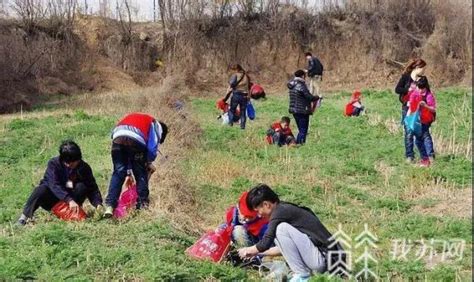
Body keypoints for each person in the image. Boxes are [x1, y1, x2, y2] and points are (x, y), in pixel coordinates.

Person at [237, 184, 346, 281]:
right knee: (279, 231)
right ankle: (301, 275)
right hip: (324, 261)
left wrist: (248, 250)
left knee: (281, 228)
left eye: (258, 210)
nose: (259, 215)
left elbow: (265, 242)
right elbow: (287, 249)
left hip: (326, 260)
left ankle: (302, 275)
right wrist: (257, 253)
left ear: (266, 204)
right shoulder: (284, 209)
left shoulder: (279, 213)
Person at [17, 140, 103, 225]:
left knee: (82, 186)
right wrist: (69, 200)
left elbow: (92, 187)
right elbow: (54, 185)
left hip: (72, 198)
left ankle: (73, 212)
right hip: (54, 198)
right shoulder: (53, 164)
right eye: (67, 163)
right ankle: (23, 218)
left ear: (78, 159)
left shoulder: (84, 167)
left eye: (73, 163)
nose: (69, 165)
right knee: (41, 189)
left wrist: (97, 203)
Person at [104, 112, 168, 217]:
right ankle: (142, 206)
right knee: (140, 173)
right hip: (136, 140)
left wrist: (128, 172)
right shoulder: (155, 125)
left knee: (118, 172)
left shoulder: (138, 118)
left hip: (117, 138)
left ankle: (110, 206)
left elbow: (124, 145)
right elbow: (152, 149)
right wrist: (148, 162)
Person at [395, 58, 427, 163]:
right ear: (417, 68)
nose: (424, 71)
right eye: (423, 68)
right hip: (407, 108)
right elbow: (397, 89)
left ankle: (424, 157)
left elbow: (427, 92)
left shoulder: (423, 79)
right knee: (408, 132)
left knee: (419, 133)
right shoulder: (405, 77)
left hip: (419, 109)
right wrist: (407, 90)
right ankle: (409, 156)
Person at [409, 76, 436, 167]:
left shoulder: (429, 95)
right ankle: (427, 158)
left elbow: (433, 109)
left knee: (424, 137)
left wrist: (425, 106)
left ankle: (428, 157)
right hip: (417, 120)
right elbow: (411, 107)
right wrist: (408, 117)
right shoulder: (415, 93)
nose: (420, 91)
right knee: (419, 140)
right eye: (419, 88)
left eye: (422, 89)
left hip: (426, 119)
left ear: (426, 87)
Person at [288, 70, 320, 145]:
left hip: (294, 110)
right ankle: (300, 144)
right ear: (302, 76)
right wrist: (317, 97)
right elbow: (309, 97)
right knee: (303, 130)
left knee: (300, 129)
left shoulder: (292, 85)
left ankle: (297, 143)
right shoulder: (301, 85)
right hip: (302, 110)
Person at [223, 64, 250, 129]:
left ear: (236, 69)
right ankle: (242, 127)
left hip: (236, 95)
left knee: (232, 110)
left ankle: (230, 124)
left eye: (233, 70)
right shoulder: (246, 76)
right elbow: (249, 86)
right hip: (244, 96)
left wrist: (225, 97)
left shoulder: (235, 75)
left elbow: (230, 86)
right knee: (243, 112)